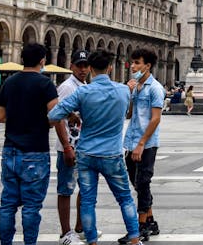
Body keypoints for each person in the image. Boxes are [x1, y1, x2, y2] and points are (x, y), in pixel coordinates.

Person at [48, 51, 141, 245]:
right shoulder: (123, 90)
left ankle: (91, 241)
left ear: (90, 68)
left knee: (88, 201)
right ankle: (134, 239)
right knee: (125, 198)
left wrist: (71, 115)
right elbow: (127, 113)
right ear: (109, 67)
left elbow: (54, 114)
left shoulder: (83, 92)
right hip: (112, 154)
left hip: (87, 154)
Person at [0, 43, 59, 245]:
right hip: (35, 151)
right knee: (31, 206)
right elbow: (54, 116)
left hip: (10, 150)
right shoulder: (45, 84)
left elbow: (1, 116)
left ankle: (6, 243)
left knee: (7, 204)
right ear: (42, 60)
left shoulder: (9, 82)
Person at [123, 49, 165, 243]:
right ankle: (150, 220)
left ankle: (141, 228)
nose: (133, 66)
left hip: (146, 144)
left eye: (137, 63)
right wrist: (127, 93)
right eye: (132, 63)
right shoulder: (136, 87)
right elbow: (129, 115)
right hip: (131, 142)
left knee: (142, 183)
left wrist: (141, 144)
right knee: (138, 184)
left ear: (147, 66)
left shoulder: (155, 88)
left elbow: (155, 119)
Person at [55, 51, 90, 245]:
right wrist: (67, 147)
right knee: (66, 189)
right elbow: (58, 117)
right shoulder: (67, 87)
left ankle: (80, 228)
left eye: (86, 65)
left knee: (84, 188)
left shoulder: (83, 85)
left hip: (82, 146)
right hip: (69, 148)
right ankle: (65, 233)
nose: (83, 69)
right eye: (79, 65)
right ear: (72, 66)